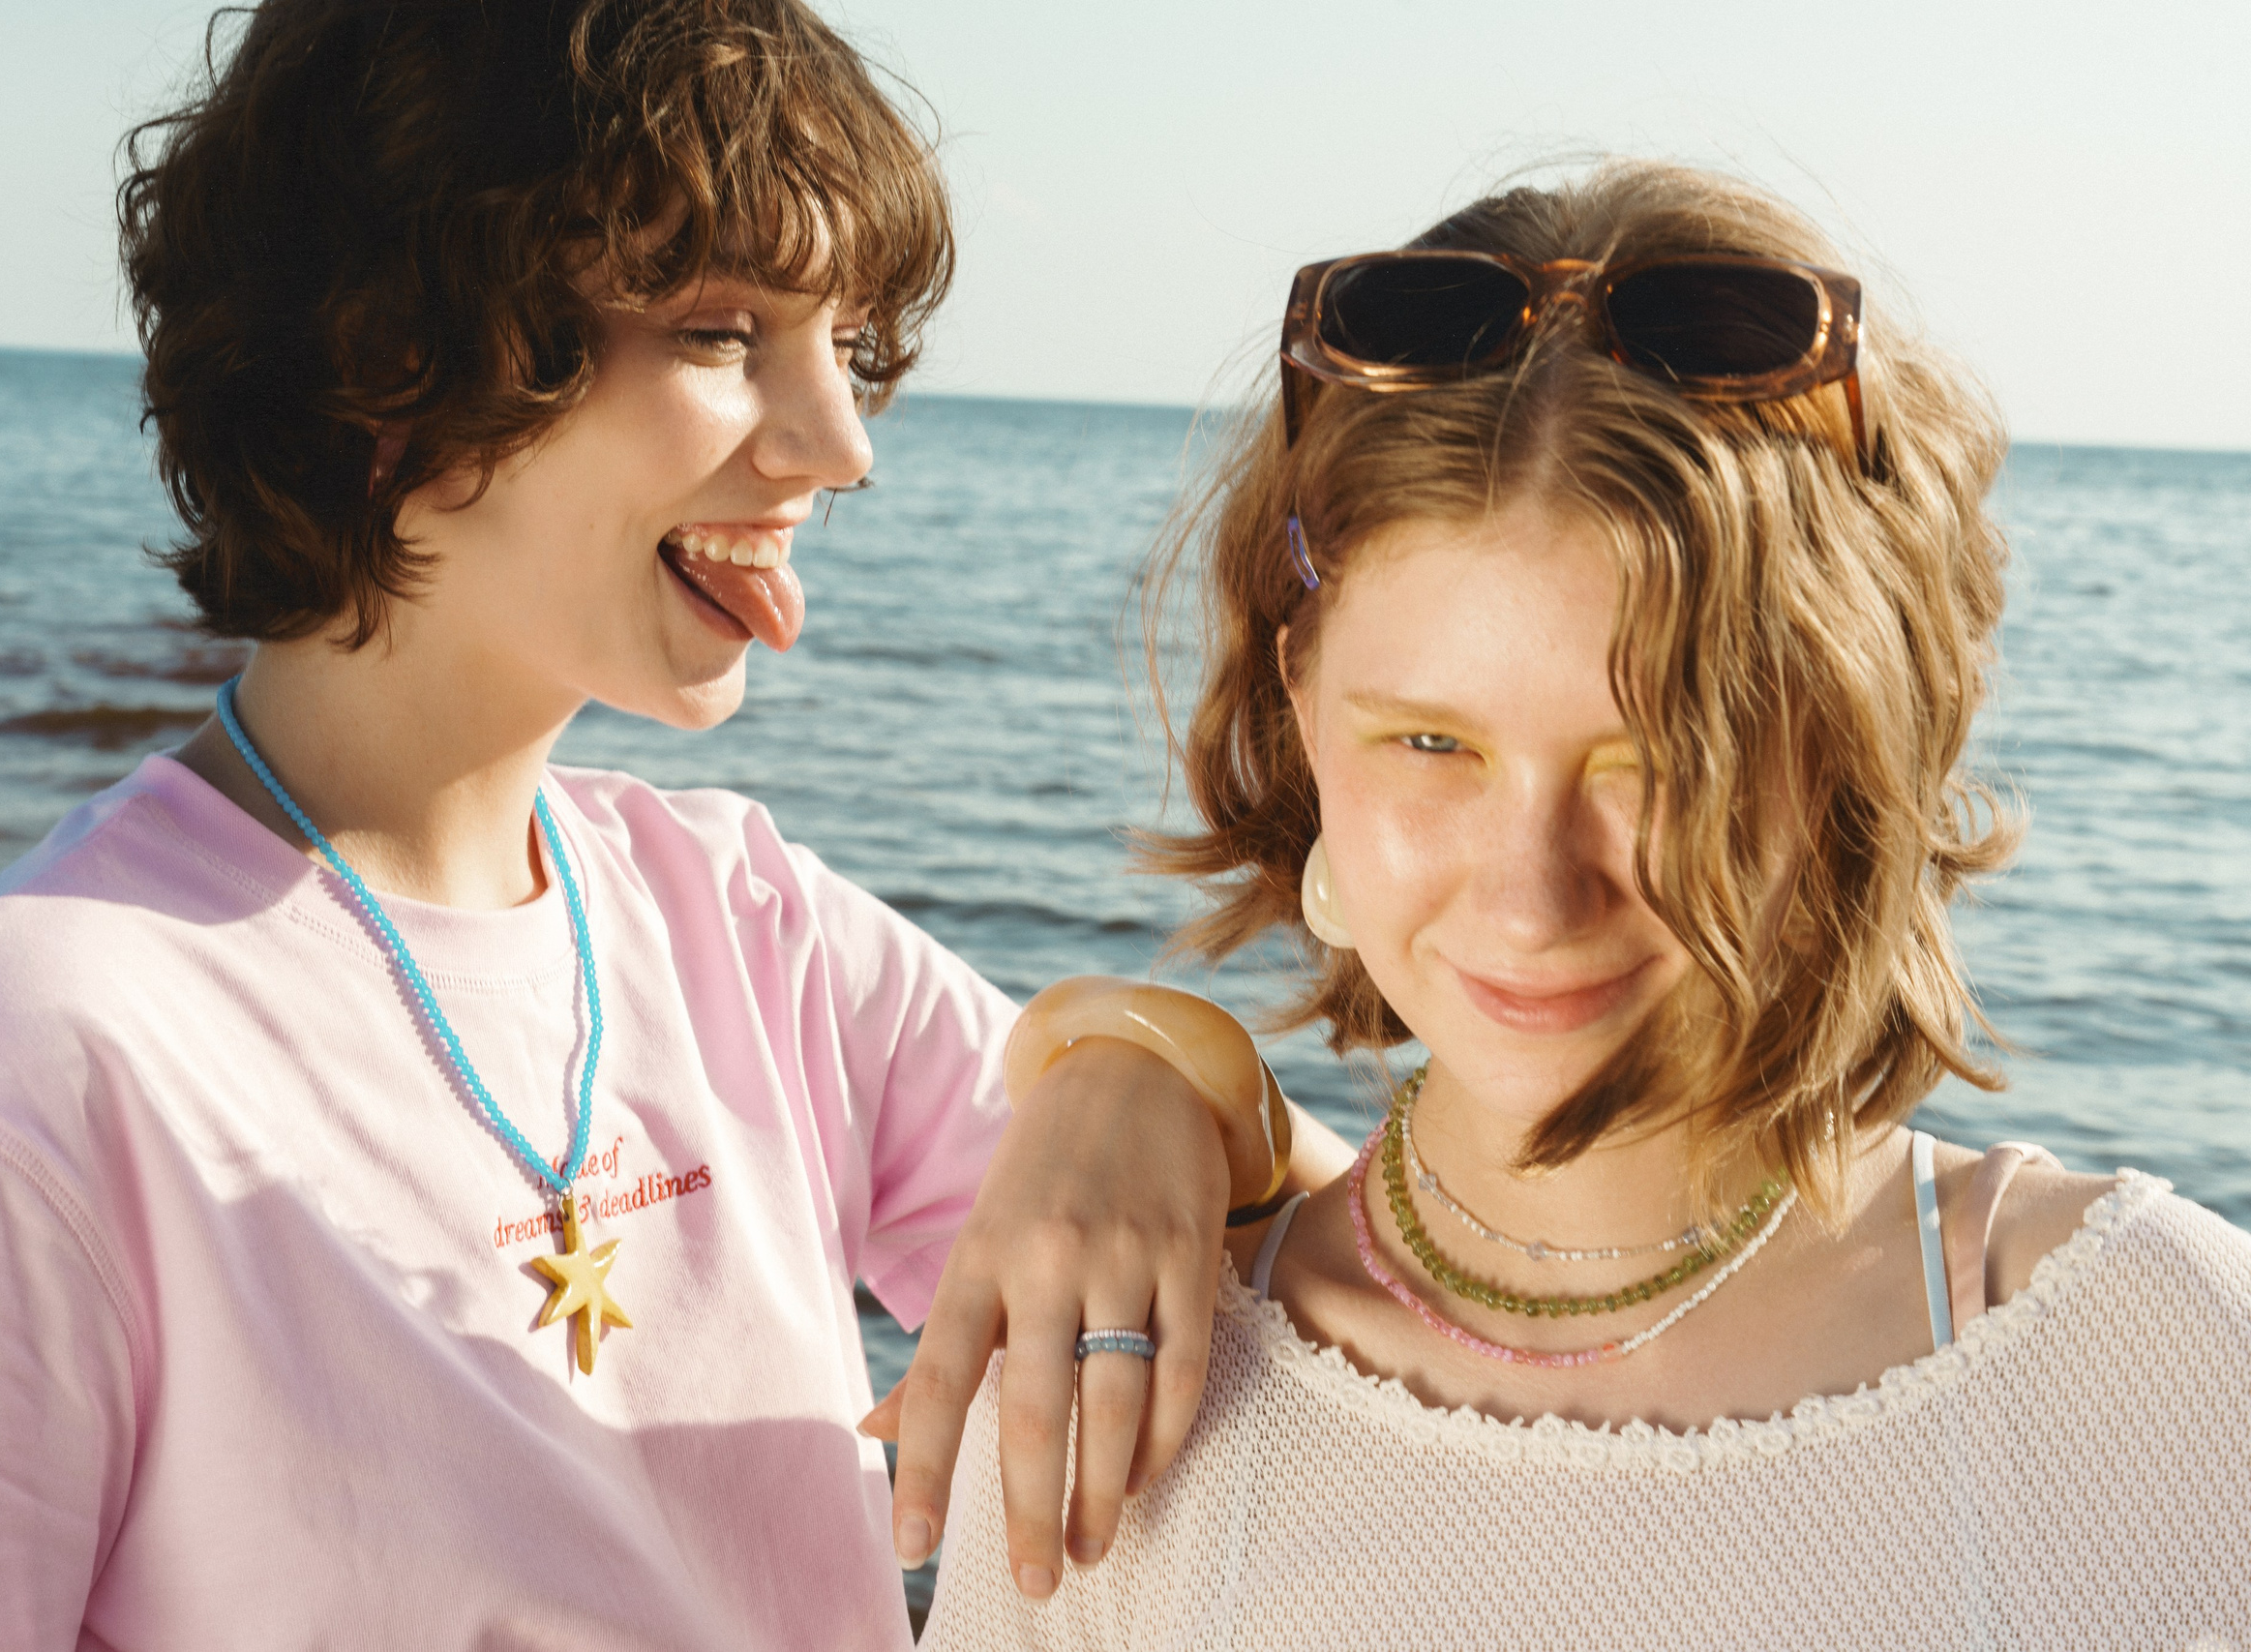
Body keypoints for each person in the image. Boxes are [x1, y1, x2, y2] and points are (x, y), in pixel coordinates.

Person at [0, 3, 1346, 1645]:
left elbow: (1386, 1347)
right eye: (727, 330)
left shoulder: (744, 925)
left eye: (850, 348)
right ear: (391, 350)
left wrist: (1164, 1078)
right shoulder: (13, 1073)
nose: (844, 445)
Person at [924, 160, 2251, 1646]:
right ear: (1301, 715)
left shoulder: (2161, 1358)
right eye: (1434, 744)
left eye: (1660, 759)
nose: (1536, 891)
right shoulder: (1106, 1407)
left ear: (1849, 750)